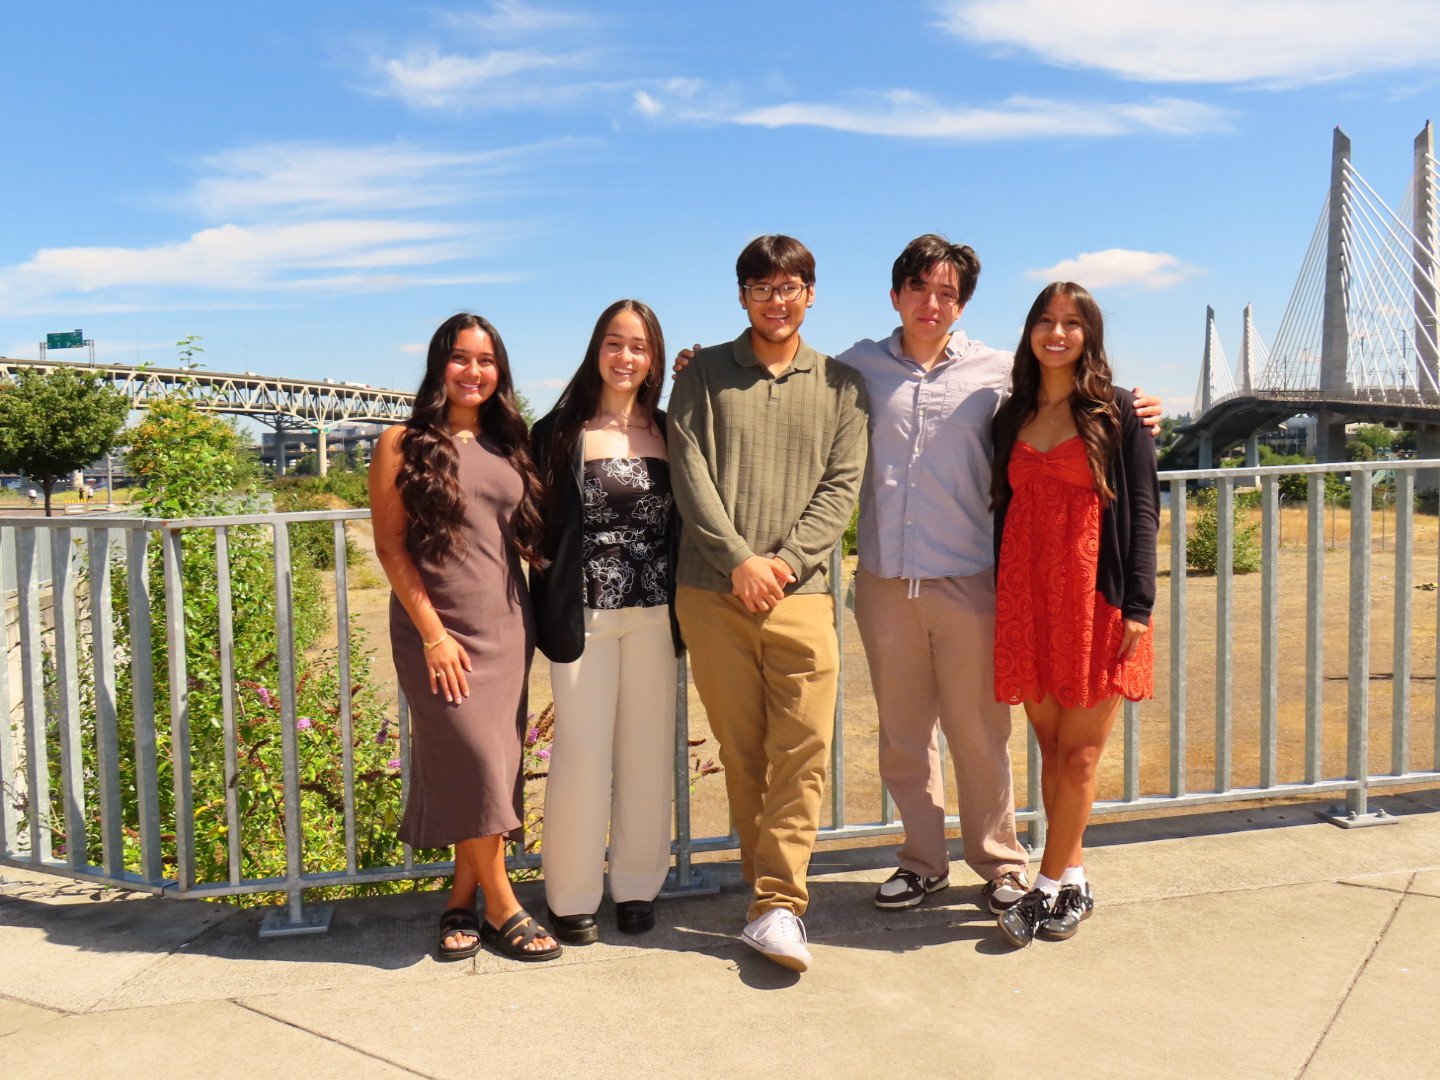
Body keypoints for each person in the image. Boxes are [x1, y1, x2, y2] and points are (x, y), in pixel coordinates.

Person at [668, 234, 868, 973]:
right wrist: (739, 562)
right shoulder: (701, 378)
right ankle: (768, 901)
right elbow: (689, 478)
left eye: (790, 287)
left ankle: (780, 902)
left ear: (811, 294)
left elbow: (840, 487)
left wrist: (780, 564)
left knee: (805, 748)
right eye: (762, 287)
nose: (776, 300)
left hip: (804, 592)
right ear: (742, 295)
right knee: (744, 751)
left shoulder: (844, 386)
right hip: (711, 590)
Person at [837, 236, 1034, 917]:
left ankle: (1000, 863)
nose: (932, 303)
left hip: (968, 579)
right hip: (886, 582)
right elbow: (782, 385)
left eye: (947, 293)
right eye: (920, 288)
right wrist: (697, 365)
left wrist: (1134, 407)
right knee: (903, 734)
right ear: (895, 294)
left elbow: (1070, 397)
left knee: (981, 731)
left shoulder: (999, 372)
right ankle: (921, 863)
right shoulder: (854, 368)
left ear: (963, 304)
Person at [369, 312, 561, 963]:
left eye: (485, 360)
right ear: (438, 365)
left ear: (499, 371)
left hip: (508, 628)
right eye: (460, 358)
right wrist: (432, 635)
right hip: (438, 631)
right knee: (474, 761)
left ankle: (461, 899)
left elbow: (521, 536)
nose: (473, 371)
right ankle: (505, 905)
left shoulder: (512, 444)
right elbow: (392, 548)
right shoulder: (401, 442)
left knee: (494, 770)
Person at [989, 282, 1158, 947]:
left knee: (1082, 756)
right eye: (1045, 321)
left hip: (1098, 602)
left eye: (1071, 323)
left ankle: (1046, 889)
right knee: (1052, 750)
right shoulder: (1012, 416)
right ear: (1030, 331)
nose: (1056, 334)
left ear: (1089, 335)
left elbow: (1143, 511)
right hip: (1030, 603)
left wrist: (1138, 606)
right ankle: (1077, 878)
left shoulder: (1118, 412)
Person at [530, 299, 683, 945]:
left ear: (654, 359)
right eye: (616, 343)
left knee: (649, 754)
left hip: (655, 615)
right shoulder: (558, 432)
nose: (627, 357)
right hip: (584, 614)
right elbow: (529, 519)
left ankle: (639, 888)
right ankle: (570, 896)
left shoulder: (673, 430)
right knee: (582, 754)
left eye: (640, 346)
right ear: (597, 349)